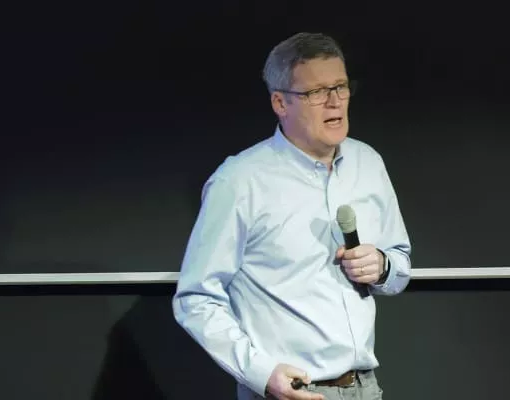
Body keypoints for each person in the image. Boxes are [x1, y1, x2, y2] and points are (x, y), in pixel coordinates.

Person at [172, 32, 412, 400]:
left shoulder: (368, 163)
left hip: (365, 387)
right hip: (292, 391)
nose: (334, 101)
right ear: (280, 103)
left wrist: (381, 266)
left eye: (340, 87)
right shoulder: (239, 181)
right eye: (316, 92)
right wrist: (261, 373)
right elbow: (196, 299)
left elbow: (399, 267)